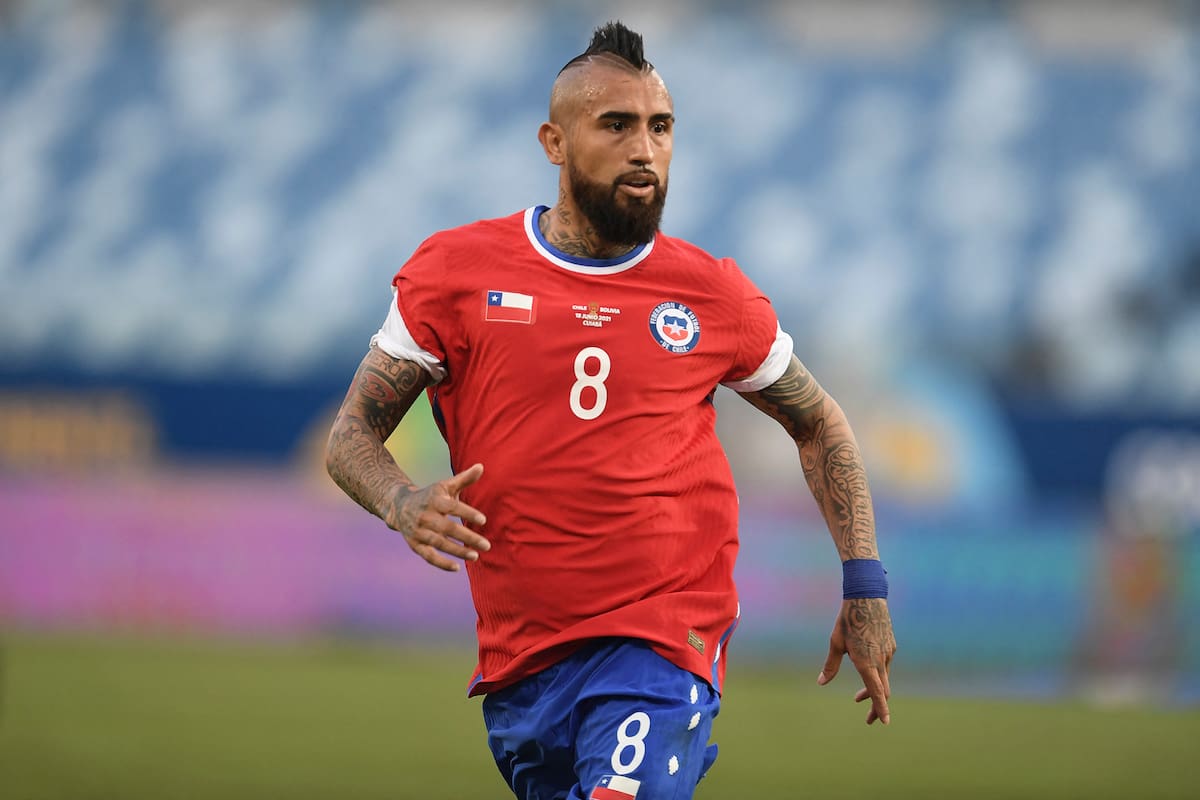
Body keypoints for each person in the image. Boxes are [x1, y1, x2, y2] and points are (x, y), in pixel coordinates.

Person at [325, 20, 896, 800]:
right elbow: (351, 433)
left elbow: (819, 421)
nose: (645, 148)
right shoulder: (457, 273)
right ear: (554, 143)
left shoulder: (712, 294)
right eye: (617, 124)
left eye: (661, 127)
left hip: (663, 641)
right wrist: (400, 500)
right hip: (524, 660)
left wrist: (865, 585)